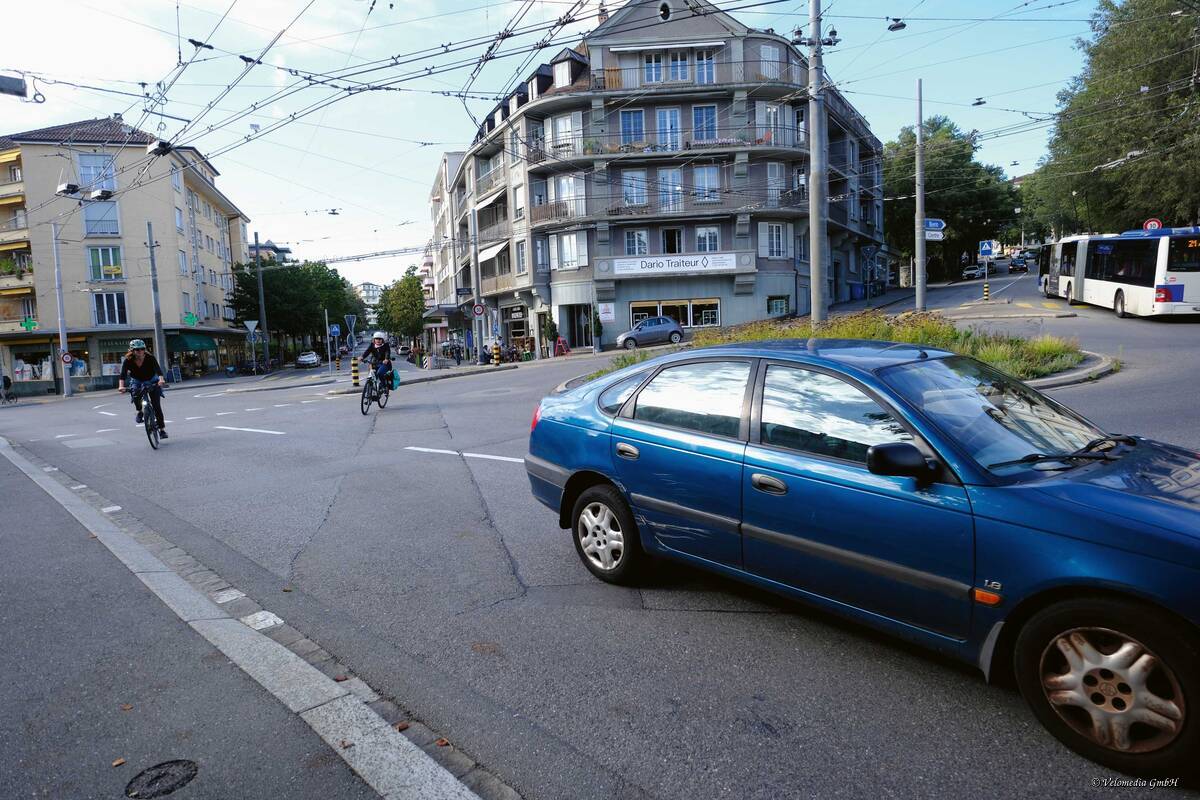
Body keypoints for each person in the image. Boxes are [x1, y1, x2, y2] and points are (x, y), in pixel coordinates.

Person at [118, 339, 168, 438]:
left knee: (156, 406)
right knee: (135, 394)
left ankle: (162, 430)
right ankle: (140, 411)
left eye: (142, 349)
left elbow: (158, 370)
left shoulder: (150, 357)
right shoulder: (128, 360)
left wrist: (161, 380)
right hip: (137, 380)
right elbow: (123, 374)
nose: (140, 351)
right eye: (137, 349)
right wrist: (121, 386)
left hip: (152, 380)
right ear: (132, 351)